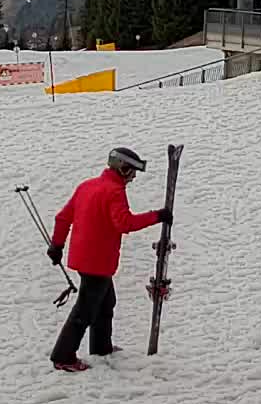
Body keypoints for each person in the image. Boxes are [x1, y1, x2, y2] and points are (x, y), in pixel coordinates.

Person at [46, 147, 172, 372]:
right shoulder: (114, 191)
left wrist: (57, 245)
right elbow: (125, 224)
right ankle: (63, 356)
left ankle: (101, 347)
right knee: (84, 310)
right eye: (132, 172)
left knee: (105, 303)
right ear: (122, 169)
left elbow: (62, 217)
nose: (133, 178)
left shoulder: (87, 186)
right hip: (98, 262)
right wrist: (158, 216)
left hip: (85, 259)